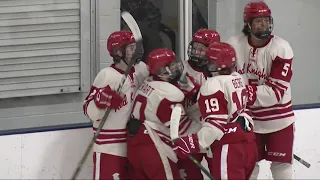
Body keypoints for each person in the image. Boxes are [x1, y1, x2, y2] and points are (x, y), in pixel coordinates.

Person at [227, 1, 296, 179]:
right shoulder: (233, 45)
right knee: (249, 164)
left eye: (266, 20)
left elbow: (275, 92)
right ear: (248, 24)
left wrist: (241, 93)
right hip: (248, 118)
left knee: (281, 166)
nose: (264, 25)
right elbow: (224, 78)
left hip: (279, 119)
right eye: (258, 21)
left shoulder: (282, 48)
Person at [174, 42, 257, 179]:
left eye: (210, 61)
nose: (207, 64)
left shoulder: (212, 84)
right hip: (248, 143)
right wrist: (195, 92)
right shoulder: (238, 78)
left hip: (229, 147)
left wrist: (191, 142)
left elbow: (215, 127)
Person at [83, 30, 149, 180]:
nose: (136, 51)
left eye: (135, 47)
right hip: (110, 149)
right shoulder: (107, 75)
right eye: (131, 48)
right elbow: (88, 110)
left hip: (134, 146)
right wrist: (100, 101)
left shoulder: (141, 70)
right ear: (118, 52)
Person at [127, 48, 199, 180]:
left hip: (134, 145)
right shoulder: (167, 92)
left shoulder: (147, 83)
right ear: (162, 71)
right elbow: (180, 128)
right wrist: (207, 131)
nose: (177, 67)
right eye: (172, 65)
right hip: (153, 147)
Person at [178, 28, 221, 179]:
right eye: (195, 47)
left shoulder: (221, 72)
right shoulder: (181, 69)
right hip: (188, 132)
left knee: (220, 174)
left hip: (212, 133)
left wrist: (196, 92)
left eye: (201, 49)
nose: (196, 52)